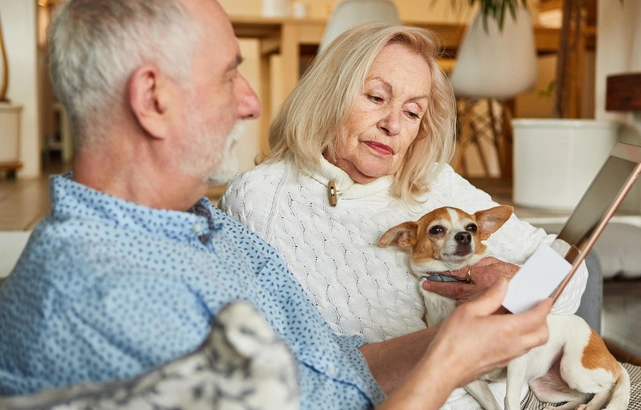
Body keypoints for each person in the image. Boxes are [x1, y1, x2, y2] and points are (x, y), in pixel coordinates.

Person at [0, 1, 554, 409]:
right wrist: (448, 366)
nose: (252, 101)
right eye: (227, 77)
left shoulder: (202, 223)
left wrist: (448, 339)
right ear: (152, 99)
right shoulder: (111, 296)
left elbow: (330, 362)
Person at [219, 22, 589, 409]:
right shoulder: (261, 199)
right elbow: (268, 362)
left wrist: (521, 290)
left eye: (412, 112)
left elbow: (570, 260)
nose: (393, 125)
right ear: (328, 96)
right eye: (376, 98)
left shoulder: (434, 183)